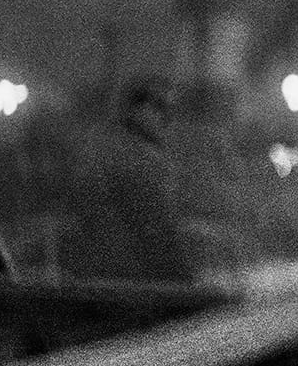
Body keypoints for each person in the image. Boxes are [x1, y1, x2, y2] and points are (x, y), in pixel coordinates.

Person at [62, 77, 197, 285]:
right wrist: (187, 282)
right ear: (136, 109)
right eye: (159, 106)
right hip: (126, 280)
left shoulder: (124, 148)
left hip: (114, 274)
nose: (167, 118)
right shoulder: (126, 154)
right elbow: (154, 226)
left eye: (171, 109)